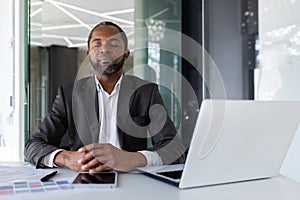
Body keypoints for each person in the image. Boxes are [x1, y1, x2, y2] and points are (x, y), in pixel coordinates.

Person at [24, 21, 185, 172]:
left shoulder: (145, 92)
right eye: (97, 44)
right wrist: (66, 158)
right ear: (88, 53)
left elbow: (175, 148)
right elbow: (33, 145)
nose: (105, 49)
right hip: (83, 177)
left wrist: (133, 159)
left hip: (131, 178)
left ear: (126, 54)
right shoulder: (69, 94)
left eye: (114, 44)